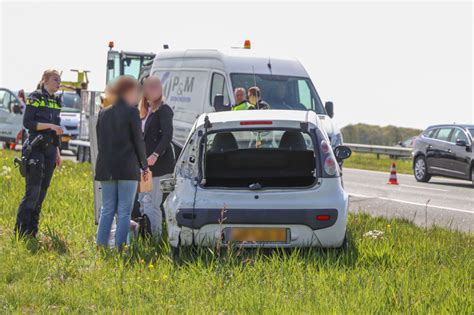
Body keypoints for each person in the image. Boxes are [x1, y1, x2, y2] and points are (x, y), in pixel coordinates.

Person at [95, 76, 150, 249]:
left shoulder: (103, 112)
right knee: (124, 211)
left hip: (106, 167)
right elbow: (138, 141)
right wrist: (144, 165)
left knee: (107, 209)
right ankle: (120, 248)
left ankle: (101, 246)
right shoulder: (132, 112)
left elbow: (100, 141)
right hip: (127, 168)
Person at [15, 69, 63, 237]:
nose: (59, 82)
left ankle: (32, 231)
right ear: (45, 80)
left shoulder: (57, 100)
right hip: (35, 148)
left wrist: (57, 151)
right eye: (55, 79)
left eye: (59, 80)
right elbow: (28, 122)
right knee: (33, 192)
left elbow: (57, 127)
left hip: (50, 150)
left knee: (42, 192)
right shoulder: (35, 97)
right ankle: (21, 231)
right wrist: (49, 126)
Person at [138, 76, 175, 239]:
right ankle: (148, 235)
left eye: (156, 86)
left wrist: (155, 155)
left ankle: (156, 239)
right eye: (150, 86)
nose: (154, 89)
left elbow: (167, 136)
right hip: (146, 168)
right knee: (144, 202)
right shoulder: (146, 111)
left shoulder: (164, 109)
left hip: (158, 167)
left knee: (152, 204)